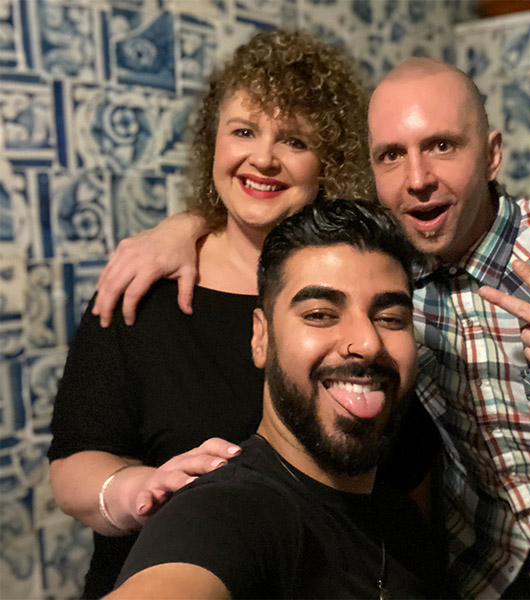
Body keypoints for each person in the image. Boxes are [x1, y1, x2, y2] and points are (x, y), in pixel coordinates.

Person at [91, 58, 530, 599]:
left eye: (441, 145)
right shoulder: (383, 273)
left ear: (490, 154)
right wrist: (182, 227)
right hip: (479, 579)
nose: (418, 177)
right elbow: (275, 209)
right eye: (391, 155)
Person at [47, 29, 376, 599]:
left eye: (294, 141)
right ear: (213, 144)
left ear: (330, 162)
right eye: (244, 131)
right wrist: (139, 491)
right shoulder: (145, 285)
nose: (264, 158)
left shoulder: (356, 290)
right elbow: (73, 464)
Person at [107, 199, 445, 599]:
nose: (367, 343)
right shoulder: (223, 514)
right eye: (320, 314)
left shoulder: (402, 520)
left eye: (390, 319)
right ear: (261, 337)